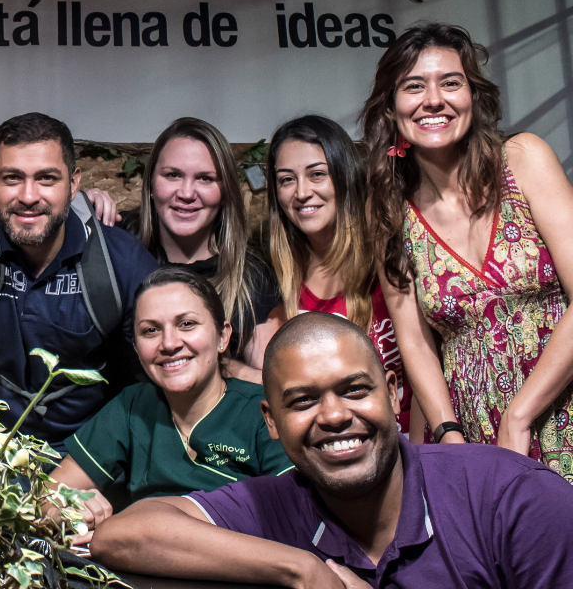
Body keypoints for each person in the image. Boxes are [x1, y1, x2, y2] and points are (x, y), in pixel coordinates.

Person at [91, 312, 573, 588]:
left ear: (393, 393)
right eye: (302, 401)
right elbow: (123, 534)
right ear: (271, 422)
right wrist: (302, 570)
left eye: (355, 391)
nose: (335, 415)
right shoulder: (273, 503)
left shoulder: (514, 498)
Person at [362, 22, 573, 478]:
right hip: (472, 428)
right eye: (414, 86)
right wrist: (449, 435)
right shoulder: (388, 212)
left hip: (563, 399)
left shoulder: (523, 159)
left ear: (473, 97)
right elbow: (415, 341)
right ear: (390, 110)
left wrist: (520, 415)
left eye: (451, 83)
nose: (433, 100)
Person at [0, 112, 157, 454]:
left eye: (47, 178)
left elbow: (160, 375)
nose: (29, 196)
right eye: (12, 178)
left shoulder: (120, 258)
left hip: (87, 455)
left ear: (73, 184)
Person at [48, 267, 292, 538]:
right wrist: (68, 505)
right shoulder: (133, 407)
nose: (169, 343)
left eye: (187, 324)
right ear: (137, 349)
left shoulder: (262, 411)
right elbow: (45, 496)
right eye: (151, 330)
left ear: (222, 336)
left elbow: (293, 518)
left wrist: (123, 535)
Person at [267, 115, 411, 434]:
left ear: (345, 177)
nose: (302, 192)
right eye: (286, 179)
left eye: (317, 174)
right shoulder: (278, 284)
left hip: (417, 446)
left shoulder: (390, 255)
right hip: (341, 452)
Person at [122, 118, 284, 381]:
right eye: (173, 175)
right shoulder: (117, 246)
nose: (186, 193)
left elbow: (275, 381)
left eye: (205, 179)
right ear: (151, 183)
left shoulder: (249, 274)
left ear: (225, 192)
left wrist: (227, 367)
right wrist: (84, 203)